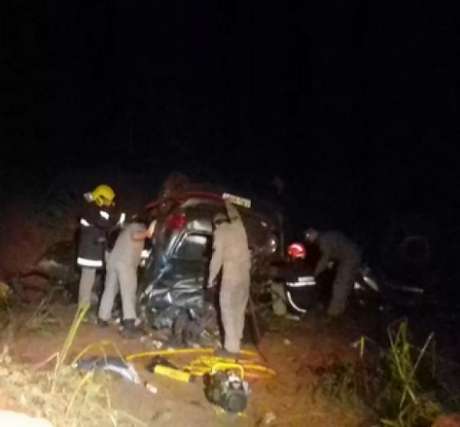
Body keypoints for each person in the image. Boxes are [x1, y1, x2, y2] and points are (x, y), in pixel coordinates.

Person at [97, 219, 155, 338]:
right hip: (125, 264)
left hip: (113, 261)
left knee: (109, 290)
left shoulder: (125, 229)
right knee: (128, 292)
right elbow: (135, 236)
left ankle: (102, 318)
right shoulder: (139, 227)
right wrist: (148, 233)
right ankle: (129, 325)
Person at [208, 200, 251, 357]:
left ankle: (231, 348)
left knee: (227, 309)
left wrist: (210, 278)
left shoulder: (220, 232)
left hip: (231, 275)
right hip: (245, 276)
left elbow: (217, 258)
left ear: (216, 224)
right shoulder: (239, 227)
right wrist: (228, 203)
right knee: (239, 309)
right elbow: (236, 215)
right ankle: (236, 342)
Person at [76, 184, 124, 311]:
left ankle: (88, 303)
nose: (109, 204)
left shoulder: (94, 209)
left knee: (91, 279)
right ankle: (83, 308)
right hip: (89, 252)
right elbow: (104, 223)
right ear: (99, 198)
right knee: (87, 280)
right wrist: (117, 222)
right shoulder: (91, 209)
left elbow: (106, 223)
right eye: (107, 201)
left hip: (93, 251)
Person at [304, 228, 361, 317]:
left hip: (349, 258)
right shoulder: (326, 237)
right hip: (353, 255)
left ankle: (333, 313)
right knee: (347, 284)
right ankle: (341, 310)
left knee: (339, 285)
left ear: (314, 234)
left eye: (309, 237)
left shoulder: (323, 240)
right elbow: (331, 255)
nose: (308, 240)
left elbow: (324, 260)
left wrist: (314, 274)